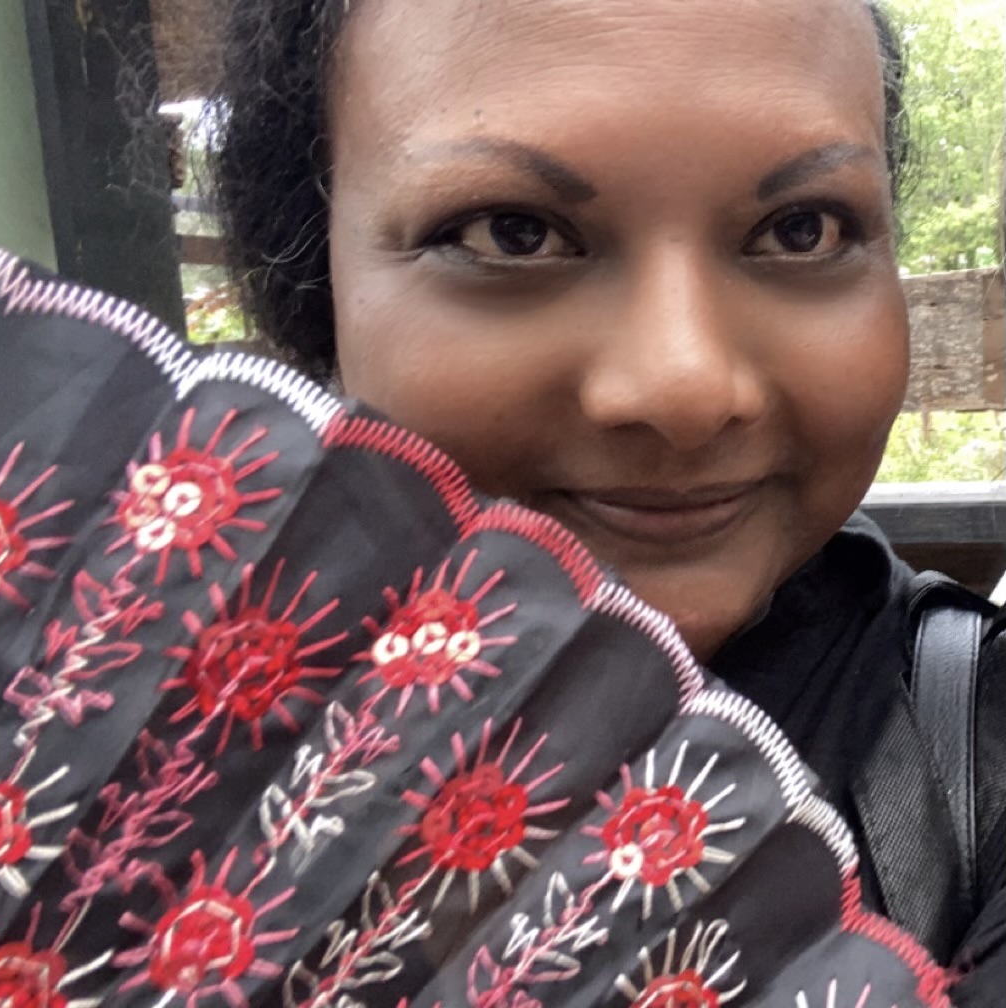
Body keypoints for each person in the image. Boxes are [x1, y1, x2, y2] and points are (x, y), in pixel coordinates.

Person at [213, 0, 1005, 1001]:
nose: (684, 388)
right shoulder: (95, 739)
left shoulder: (977, 770)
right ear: (316, 290)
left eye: (801, 230)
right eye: (513, 234)